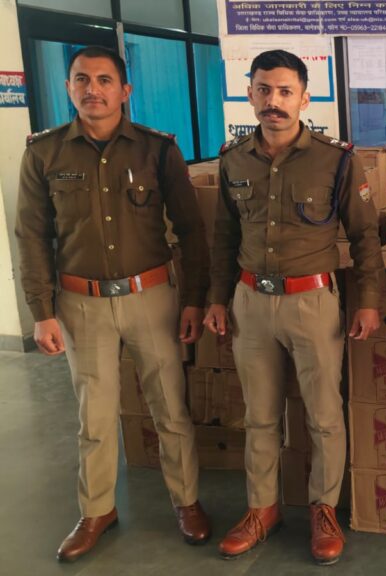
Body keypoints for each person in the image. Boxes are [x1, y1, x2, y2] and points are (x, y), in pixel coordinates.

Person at [15, 45, 211, 562]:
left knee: (170, 408)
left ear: (125, 90)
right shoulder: (44, 153)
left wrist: (193, 301)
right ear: (68, 87)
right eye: (81, 79)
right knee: (95, 416)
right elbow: (31, 236)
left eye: (104, 80)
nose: (92, 89)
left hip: (152, 299)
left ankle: (187, 501)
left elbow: (191, 231)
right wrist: (41, 311)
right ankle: (97, 510)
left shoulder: (157, 150)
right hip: (81, 304)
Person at [204, 49, 384, 566]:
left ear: (304, 98)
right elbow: (224, 236)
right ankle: (262, 509)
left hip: (312, 303)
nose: (273, 101)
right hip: (250, 303)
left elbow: (365, 237)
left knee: (323, 416)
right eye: (264, 89)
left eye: (285, 91)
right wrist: (217, 298)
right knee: (259, 416)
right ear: (250, 94)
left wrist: (368, 302)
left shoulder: (336, 159)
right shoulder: (233, 158)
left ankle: (323, 510)